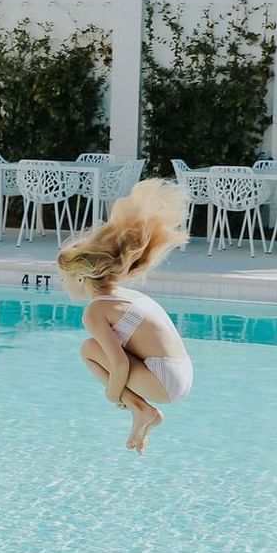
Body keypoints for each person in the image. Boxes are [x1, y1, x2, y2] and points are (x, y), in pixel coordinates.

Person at [55, 178, 193, 454]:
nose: (62, 284)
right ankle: (142, 410)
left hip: (164, 381)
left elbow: (119, 364)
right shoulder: (125, 295)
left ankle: (140, 408)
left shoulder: (95, 311)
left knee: (89, 349)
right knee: (97, 348)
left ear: (80, 278)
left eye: (63, 278)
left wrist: (112, 394)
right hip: (182, 374)